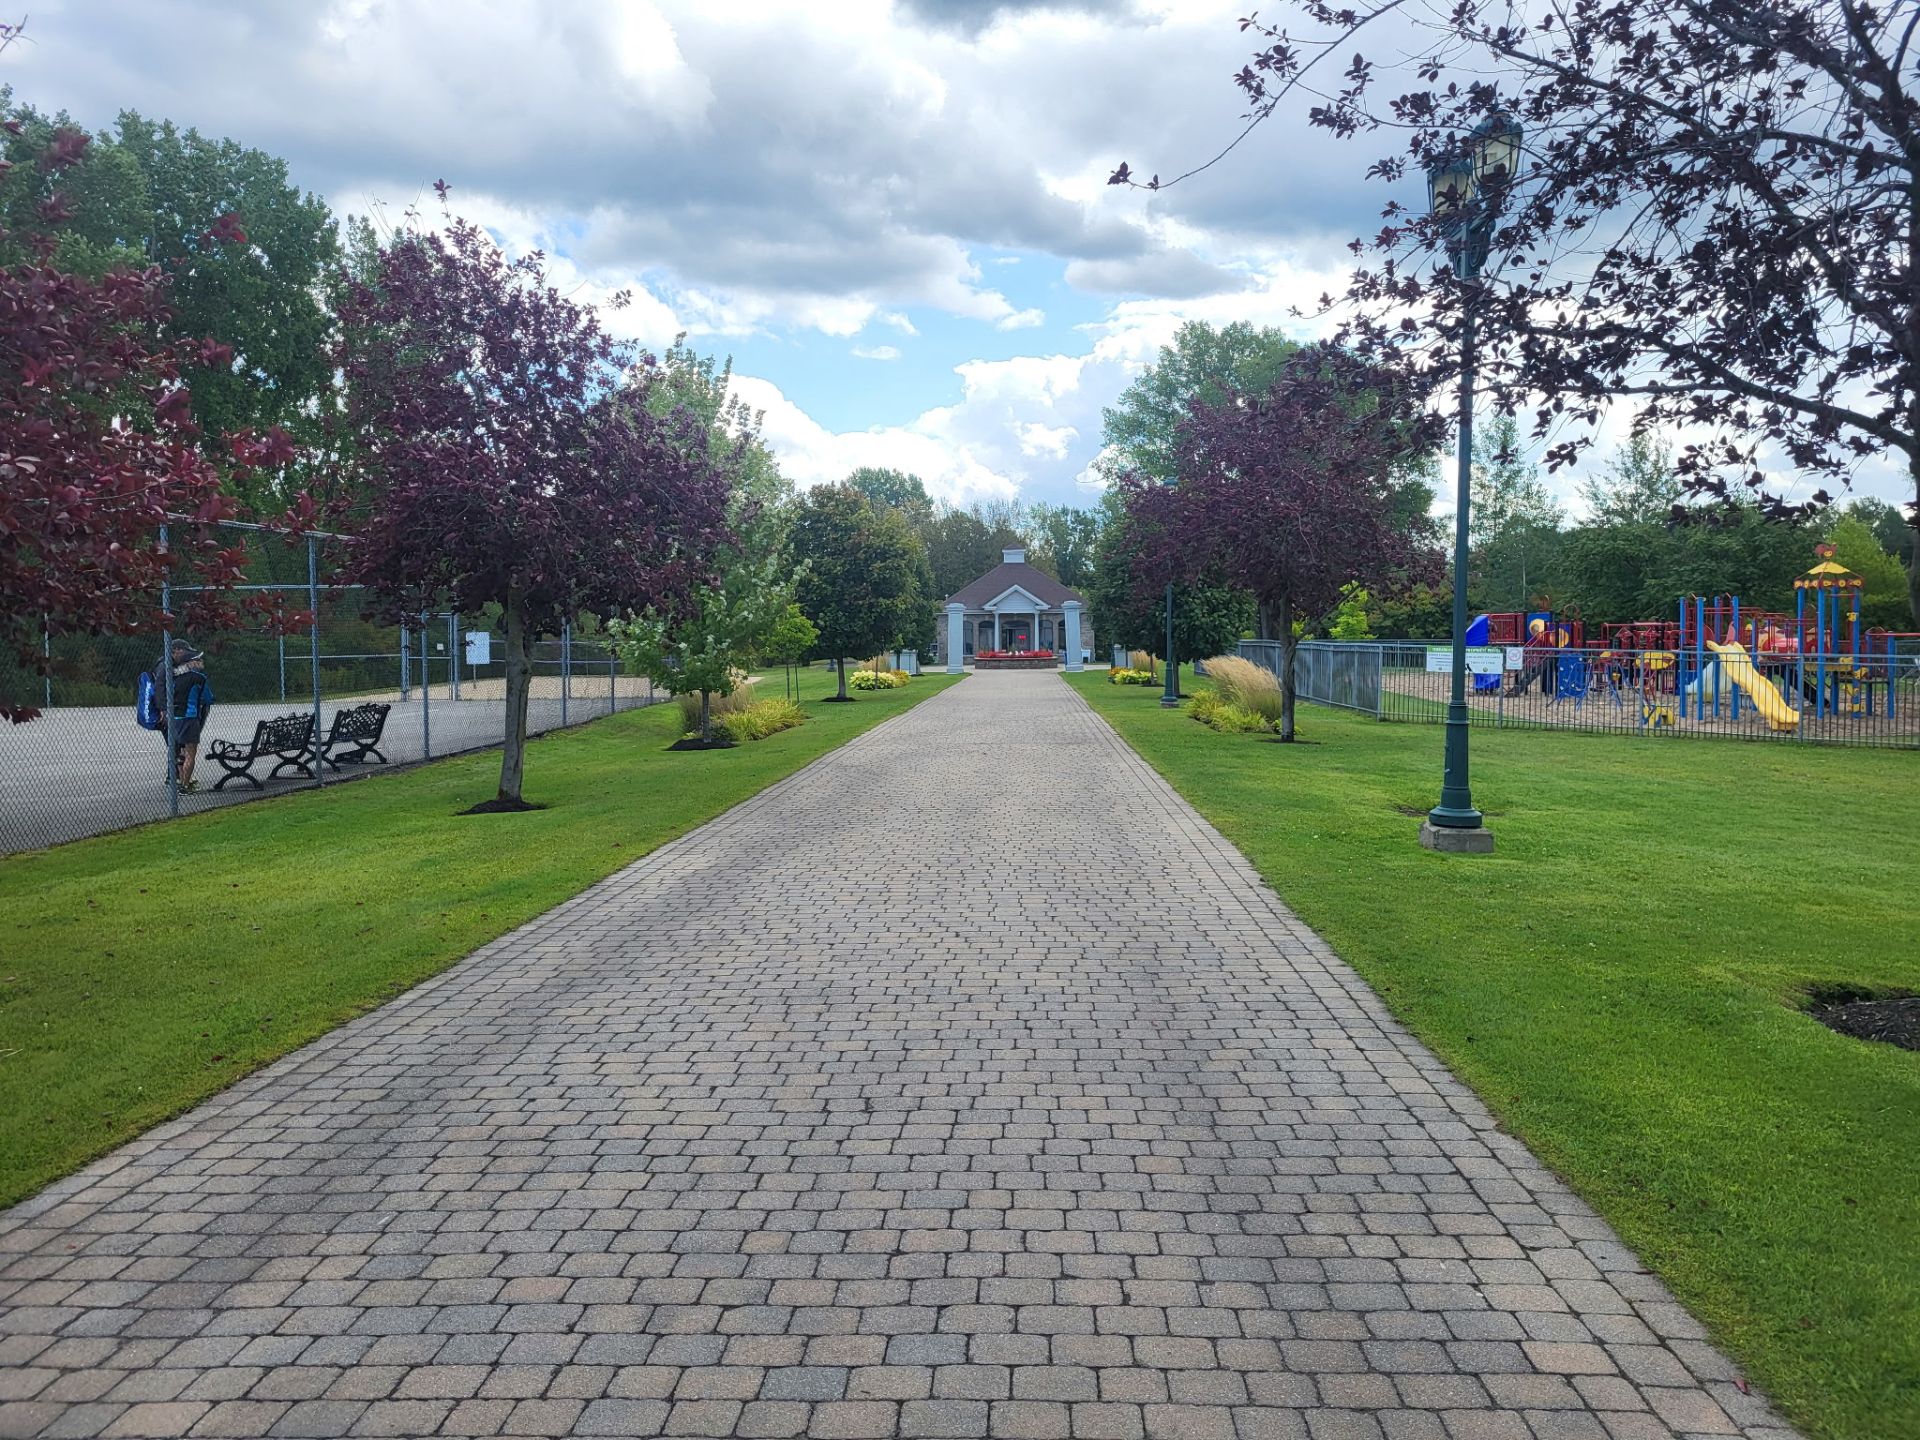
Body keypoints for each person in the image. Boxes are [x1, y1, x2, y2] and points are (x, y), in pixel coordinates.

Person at [165, 645, 214, 793]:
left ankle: (181, 780)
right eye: (197, 659)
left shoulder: (174, 678)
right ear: (190, 663)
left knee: (179, 751)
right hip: (190, 718)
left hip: (174, 718)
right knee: (190, 753)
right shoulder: (199, 678)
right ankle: (185, 786)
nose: (201, 661)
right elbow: (208, 698)